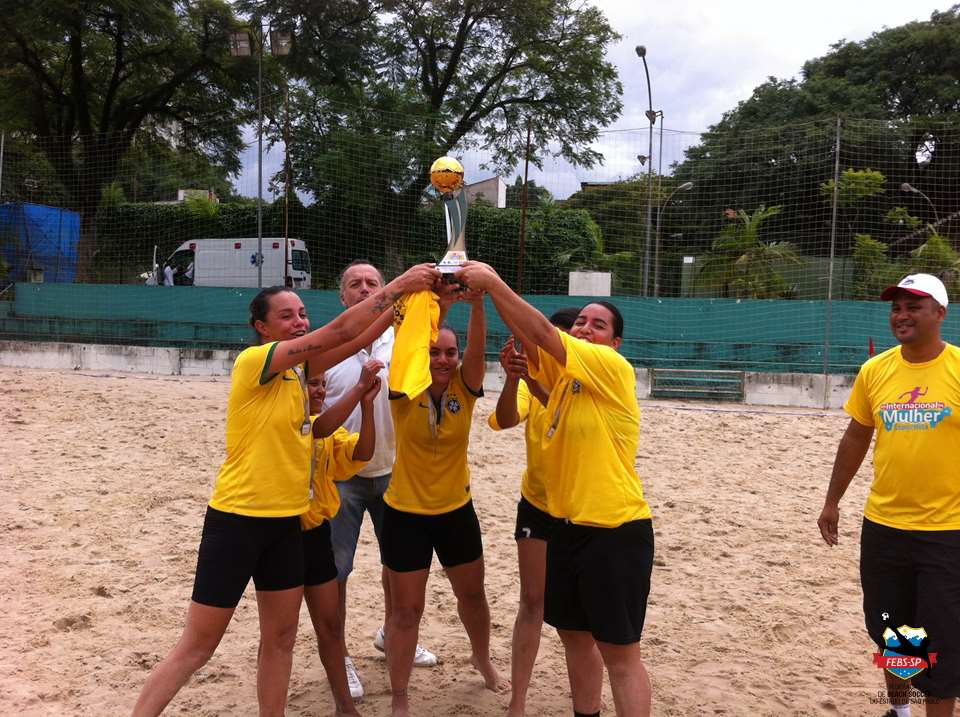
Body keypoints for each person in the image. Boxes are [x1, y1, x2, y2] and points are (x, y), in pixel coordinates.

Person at [131, 263, 440, 717]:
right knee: (197, 648)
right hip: (239, 521)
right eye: (287, 316)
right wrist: (398, 286)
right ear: (261, 327)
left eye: (301, 314)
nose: (299, 321)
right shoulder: (257, 361)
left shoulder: (299, 374)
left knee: (280, 641)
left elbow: (351, 340)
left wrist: (419, 302)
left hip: (288, 523)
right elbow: (339, 329)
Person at [455, 261, 655, 717]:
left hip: (615, 529)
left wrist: (493, 281)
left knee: (621, 657)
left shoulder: (612, 367)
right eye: (580, 321)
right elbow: (537, 356)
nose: (585, 328)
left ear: (615, 342)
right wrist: (487, 311)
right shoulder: (567, 387)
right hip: (565, 525)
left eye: (597, 324)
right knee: (575, 639)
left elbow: (544, 335)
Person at [818, 273, 960, 717]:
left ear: (940, 313)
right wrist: (832, 500)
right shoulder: (875, 371)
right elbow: (856, 437)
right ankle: (897, 712)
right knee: (895, 632)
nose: (902, 315)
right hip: (883, 527)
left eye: (914, 306)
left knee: (943, 643)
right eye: (896, 307)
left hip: (947, 532)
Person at [382, 288, 507, 717]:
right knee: (407, 611)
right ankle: (400, 694)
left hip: (456, 511)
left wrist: (475, 303)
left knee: (473, 597)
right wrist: (440, 304)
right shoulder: (404, 387)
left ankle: (482, 658)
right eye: (435, 352)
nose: (442, 359)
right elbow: (410, 341)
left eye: (449, 353)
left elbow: (477, 350)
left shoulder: (465, 387)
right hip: (405, 515)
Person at [322, 261, 439, 700]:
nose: (365, 289)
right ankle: (340, 656)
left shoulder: (401, 339)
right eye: (355, 284)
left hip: (397, 470)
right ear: (343, 296)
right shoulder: (331, 341)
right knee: (336, 573)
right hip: (341, 476)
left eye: (373, 282)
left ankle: (393, 635)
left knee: (400, 568)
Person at [489, 308, 605, 717]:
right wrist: (513, 378)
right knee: (532, 602)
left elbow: (555, 401)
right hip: (538, 504)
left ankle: (586, 700)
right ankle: (518, 700)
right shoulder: (534, 379)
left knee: (584, 623)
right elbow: (504, 419)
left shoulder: (592, 382)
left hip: (582, 511)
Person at [300, 365, 382, 717]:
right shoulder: (292, 428)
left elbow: (363, 453)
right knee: (282, 631)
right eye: (312, 385)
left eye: (322, 385)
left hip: (316, 531)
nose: (319, 391)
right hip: (283, 533)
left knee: (329, 623)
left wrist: (366, 407)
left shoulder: (327, 435)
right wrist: (360, 388)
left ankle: (345, 708)